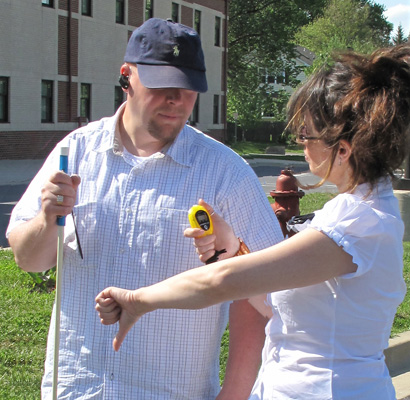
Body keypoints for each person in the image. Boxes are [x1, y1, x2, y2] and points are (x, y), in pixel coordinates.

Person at [95, 43, 410, 399]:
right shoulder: (359, 212)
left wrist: (139, 301)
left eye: (305, 135)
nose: (301, 145)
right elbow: (276, 303)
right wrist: (233, 248)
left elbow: (221, 282)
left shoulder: (358, 222)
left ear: (343, 149)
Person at [6, 18, 284, 400]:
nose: (176, 98)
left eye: (188, 87)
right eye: (162, 83)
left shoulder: (224, 173)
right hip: (78, 387)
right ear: (126, 76)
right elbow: (29, 259)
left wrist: (234, 394)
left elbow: (264, 288)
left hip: (171, 391)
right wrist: (47, 218)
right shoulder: (78, 152)